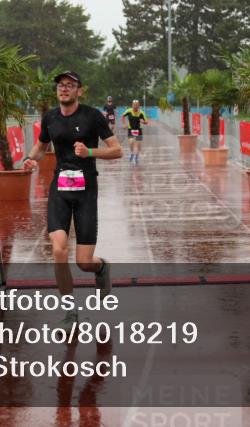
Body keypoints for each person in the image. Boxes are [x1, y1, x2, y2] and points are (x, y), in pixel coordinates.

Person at [22, 71, 122, 328]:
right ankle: (69, 310)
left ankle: (101, 269)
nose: (64, 89)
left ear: (79, 90)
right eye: (60, 85)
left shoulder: (92, 116)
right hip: (60, 188)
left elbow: (117, 150)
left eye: (70, 85)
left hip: (86, 189)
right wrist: (31, 159)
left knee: (84, 262)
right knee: (58, 249)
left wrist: (89, 151)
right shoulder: (50, 118)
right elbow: (42, 147)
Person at [122, 99, 149, 165]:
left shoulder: (141, 113)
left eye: (137, 105)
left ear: (139, 105)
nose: (135, 106)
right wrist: (124, 124)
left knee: (139, 145)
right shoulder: (128, 111)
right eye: (134, 105)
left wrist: (143, 122)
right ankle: (131, 153)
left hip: (138, 130)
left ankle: (136, 157)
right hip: (131, 129)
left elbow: (146, 121)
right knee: (131, 142)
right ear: (132, 105)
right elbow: (123, 116)